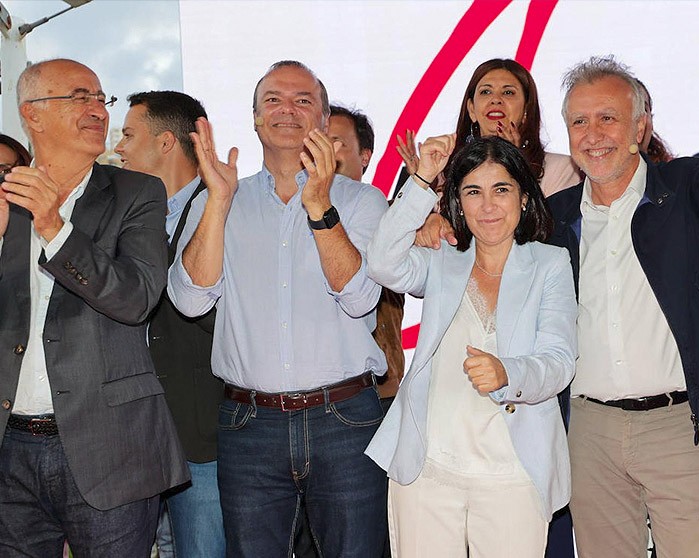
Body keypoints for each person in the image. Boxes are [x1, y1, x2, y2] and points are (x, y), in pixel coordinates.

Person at [544, 17, 699, 557]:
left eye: (608, 118)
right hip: (589, 431)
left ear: (641, 127)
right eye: (579, 121)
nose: (593, 135)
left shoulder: (686, 188)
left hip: (681, 426)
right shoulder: (552, 219)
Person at [167, 60, 390, 557]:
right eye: (273, 99)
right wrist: (219, 204)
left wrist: (319, 206)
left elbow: (359, 298)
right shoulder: (220, 198)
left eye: (302, 100)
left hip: (346, 419)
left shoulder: (362, 202)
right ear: (253, 117)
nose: (286, 109)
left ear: (323, 119)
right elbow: (188, 297)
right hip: (250, 424)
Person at [0, 58, 188, 556]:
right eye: (78, 96)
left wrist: (53, 228)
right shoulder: (5, 199)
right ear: (32, 115)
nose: (97, 110)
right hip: (9, 448)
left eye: (99, 98)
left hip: (110, 445)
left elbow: (136, 298)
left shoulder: (137, 193)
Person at [366, 134, 577, 557]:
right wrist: (422, 179)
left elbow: (559, 361)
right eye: (473, 192)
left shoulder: (550, 264)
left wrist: (508, 373)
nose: (488, 206)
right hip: (428, 469)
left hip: (513, 472)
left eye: (501, 189)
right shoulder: (444, 258)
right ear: (458, 203)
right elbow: (382, 262)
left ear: (523, 197)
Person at [114, 90, 225, 558]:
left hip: (200, 434)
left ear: (165, 143)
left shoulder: (222, 208)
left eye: (127, 134)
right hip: (137, 431)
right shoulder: (127, 215)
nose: (118, 146)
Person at [397, 58, 581, 199]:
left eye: (508, 92)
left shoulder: (561, 169)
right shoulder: (440, 170)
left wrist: (513, 163)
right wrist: (420, 184)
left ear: (526, 110)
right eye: (486, 91)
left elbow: (545, 233)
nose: (496, 99)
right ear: (472, 110)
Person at [329, 104, 405, 405]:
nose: (327, 150)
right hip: (310, 390)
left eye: (338, 142)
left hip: (379, 387)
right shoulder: (288, 218)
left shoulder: (391, 215)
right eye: (319, 139)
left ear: (365, 155)